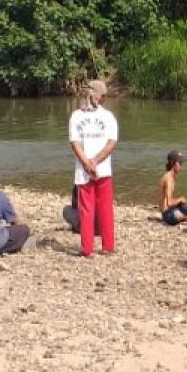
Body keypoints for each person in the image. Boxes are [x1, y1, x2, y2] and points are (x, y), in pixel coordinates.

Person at [68, 79, 117, 257]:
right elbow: (112, 143)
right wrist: (95, 162)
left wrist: (87, 164)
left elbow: (75, 144)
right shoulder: (108, 116)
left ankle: (87, 249)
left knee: (86, 210)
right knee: (105, 208)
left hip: (84, 170)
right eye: (104, 95)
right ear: (101, 96)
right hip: (102, 169)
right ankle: (108, 247)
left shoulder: (76, 116)